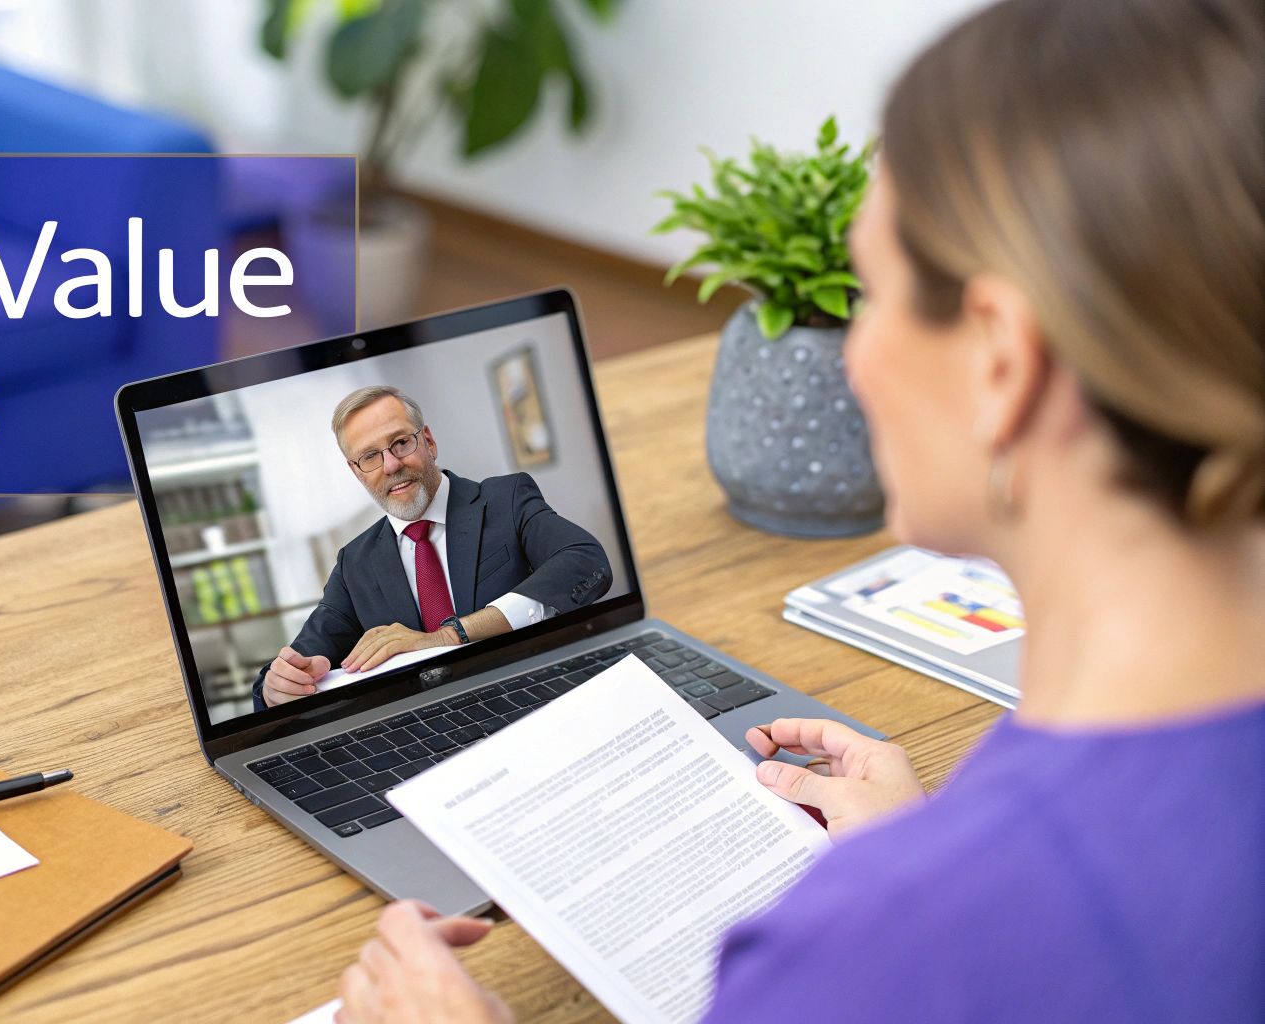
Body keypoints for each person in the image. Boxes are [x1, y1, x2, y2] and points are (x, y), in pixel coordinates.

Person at [331, 0, 1265, 1018]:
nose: (848, 356)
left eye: (868, 294)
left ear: (1001, 359)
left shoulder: (858, 948)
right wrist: (920, 847)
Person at [253, 385, 612, 711]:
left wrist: (447, 636)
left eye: (400, 443)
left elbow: (585, 562)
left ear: (428, 441)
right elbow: (296, 661)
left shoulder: (507, 498)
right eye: (370, 457)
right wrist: (277, 685)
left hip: (537, 704)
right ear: (357, 472)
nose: (391, 465)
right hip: (429, 743)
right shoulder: (354, 564)